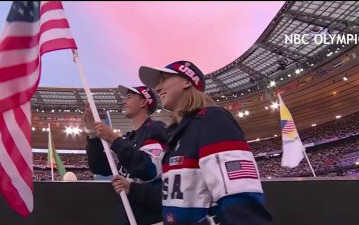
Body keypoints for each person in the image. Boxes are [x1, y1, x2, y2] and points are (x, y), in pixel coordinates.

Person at [139, 60, 273, 225]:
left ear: (187, 81)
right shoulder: (175, 133)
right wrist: (132, 189)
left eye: (164, 79)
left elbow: (241, 198)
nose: (157, 88)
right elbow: (176, 193)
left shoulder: (212, 119)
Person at [84, 85, 167, 225]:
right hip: (127, 216)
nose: (124, 101)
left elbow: (149, 169)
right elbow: (101, 168)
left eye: (129, 96)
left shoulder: (156, 129)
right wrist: (92, 136)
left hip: (150, 218)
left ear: (143, 102)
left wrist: (115, 140)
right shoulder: (129, 138)